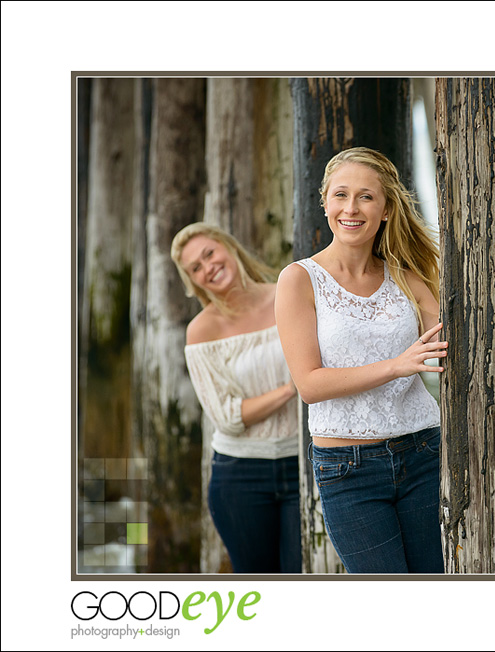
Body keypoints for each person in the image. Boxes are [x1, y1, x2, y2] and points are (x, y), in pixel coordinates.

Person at [274, 146, 446, 574]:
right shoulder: (299, 280)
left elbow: (451, 340)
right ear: (325, 201)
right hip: (347, 469)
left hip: (423, 452)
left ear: (386, 209)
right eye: (341, 195)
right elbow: (309, 385)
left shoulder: (407, 276)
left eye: (366, 197)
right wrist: (397, 364)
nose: (351, 208)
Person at [171, 222, 302, 573]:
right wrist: (293, 388)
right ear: (192, 281)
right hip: (241, 476)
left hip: (303, 462)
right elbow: (228, 417)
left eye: (209, 253)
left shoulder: (288, 295)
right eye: (195, 268)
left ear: (228, 246)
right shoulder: (202, 330)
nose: (207, 267)